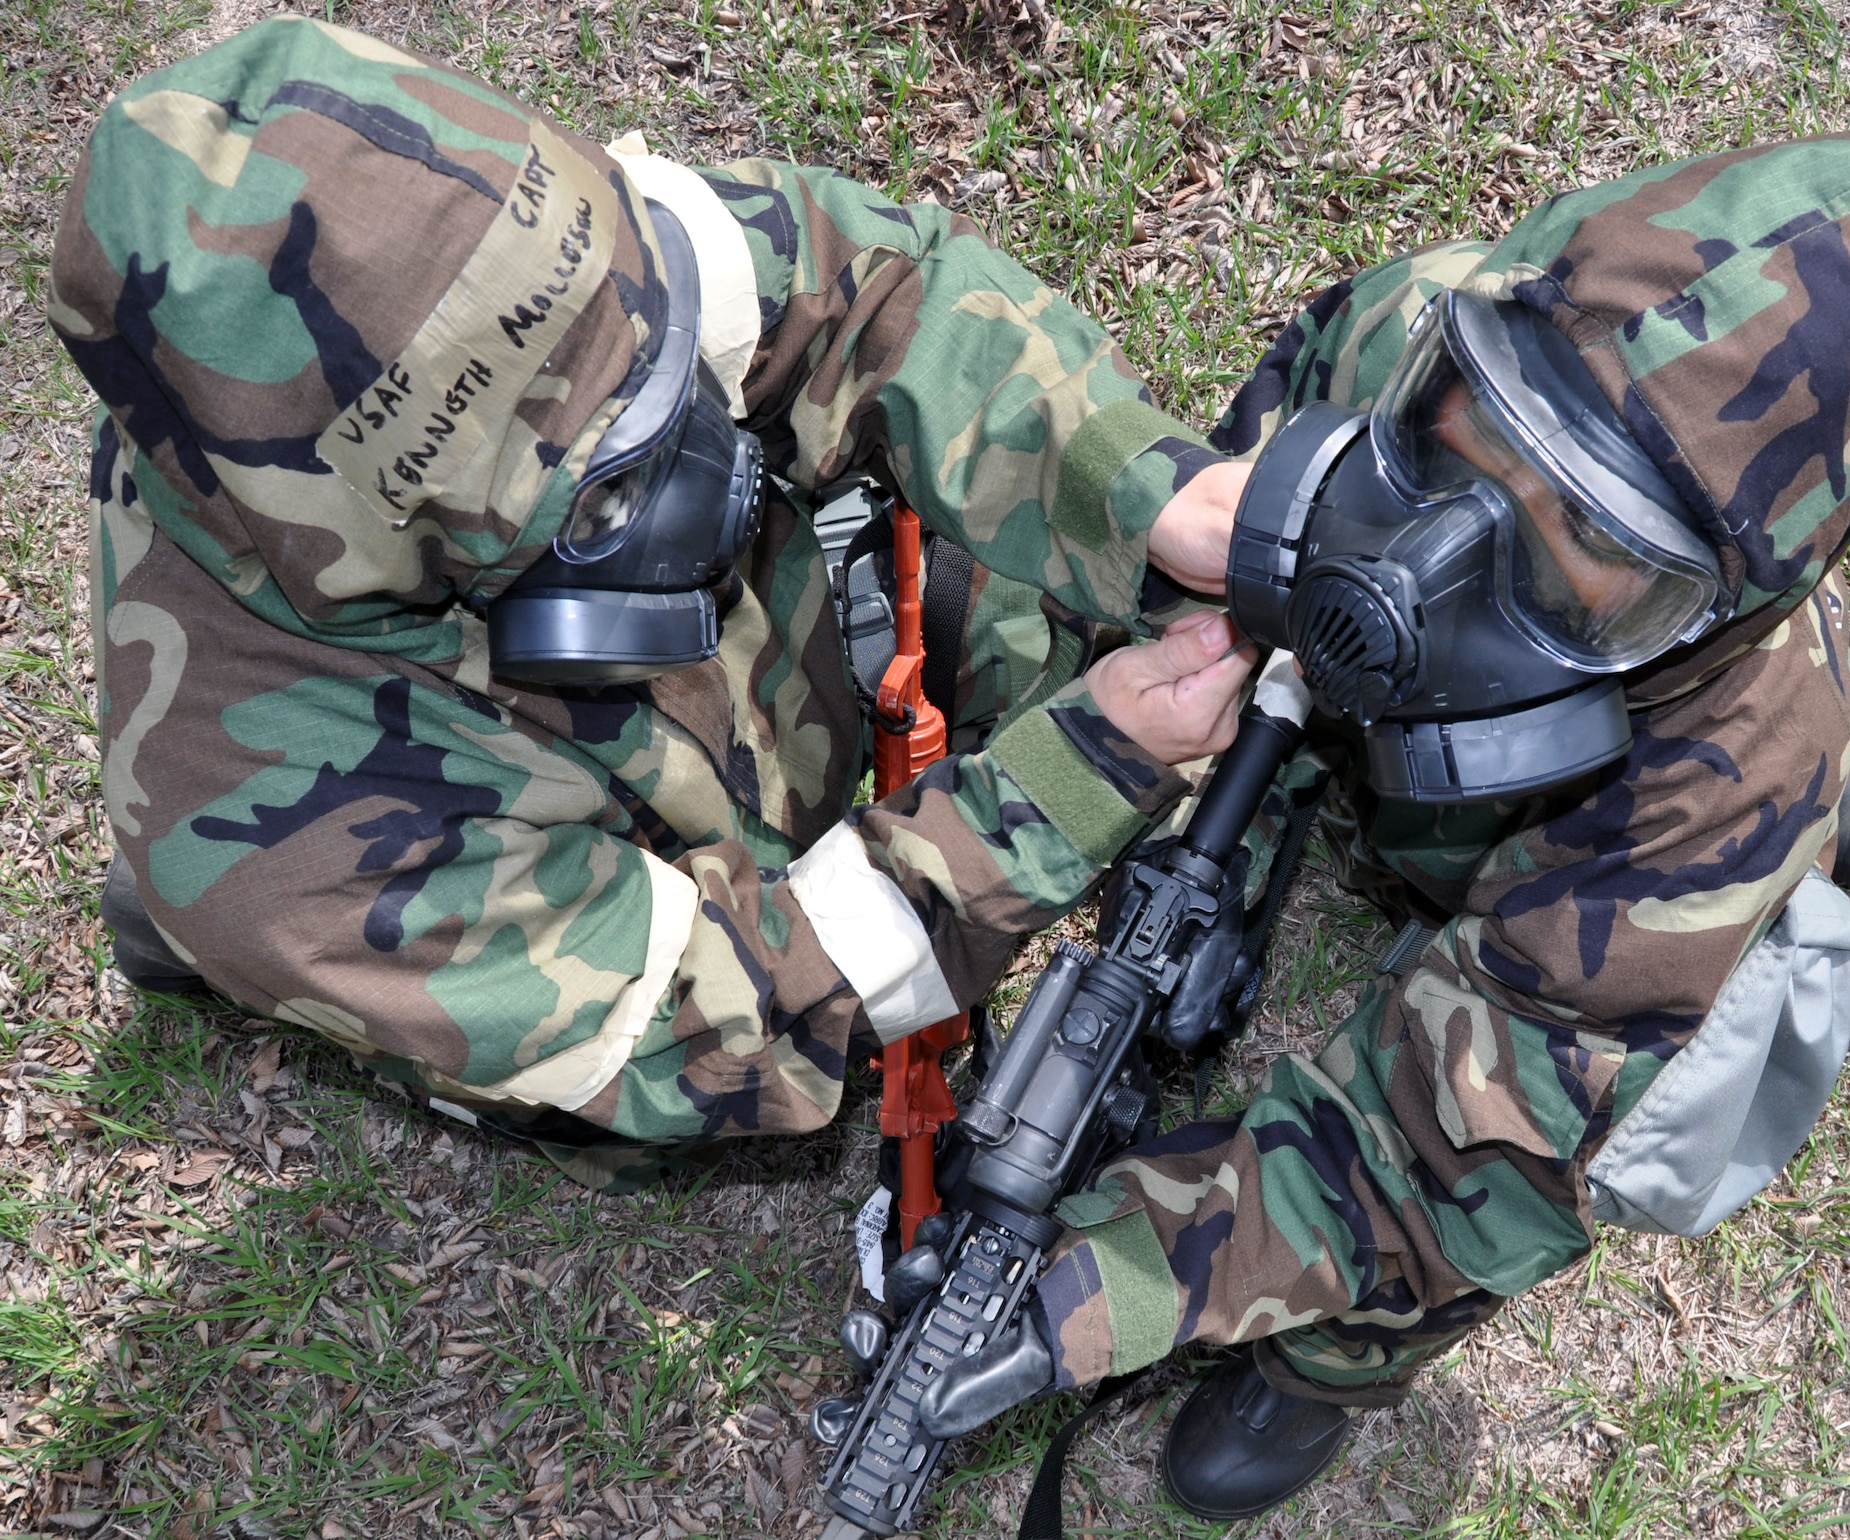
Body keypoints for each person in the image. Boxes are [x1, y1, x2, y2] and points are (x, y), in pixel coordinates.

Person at [916, 123, 1850, 1521]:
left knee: (1569, 1158)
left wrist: (1100, 1291)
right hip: (1421, 750)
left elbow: (1458, 1154)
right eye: (1471, 440)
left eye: (1587, 546)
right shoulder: (1414, 334)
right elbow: (1252, 536)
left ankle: (1334, 1373)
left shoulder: (1723, 770)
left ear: (1716, 608)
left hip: (1583, 860)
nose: (1434, 563)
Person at [54, 16, 1257, 1191]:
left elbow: (867, 288)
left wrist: (1150, 491)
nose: (706, 476)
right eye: (609, 495)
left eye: (658, 378)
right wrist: (1071, 780)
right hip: (545, 914)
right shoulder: (287, 855)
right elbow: (714, 1029)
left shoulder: (521, 244)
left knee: (991, 596)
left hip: (686, 724)